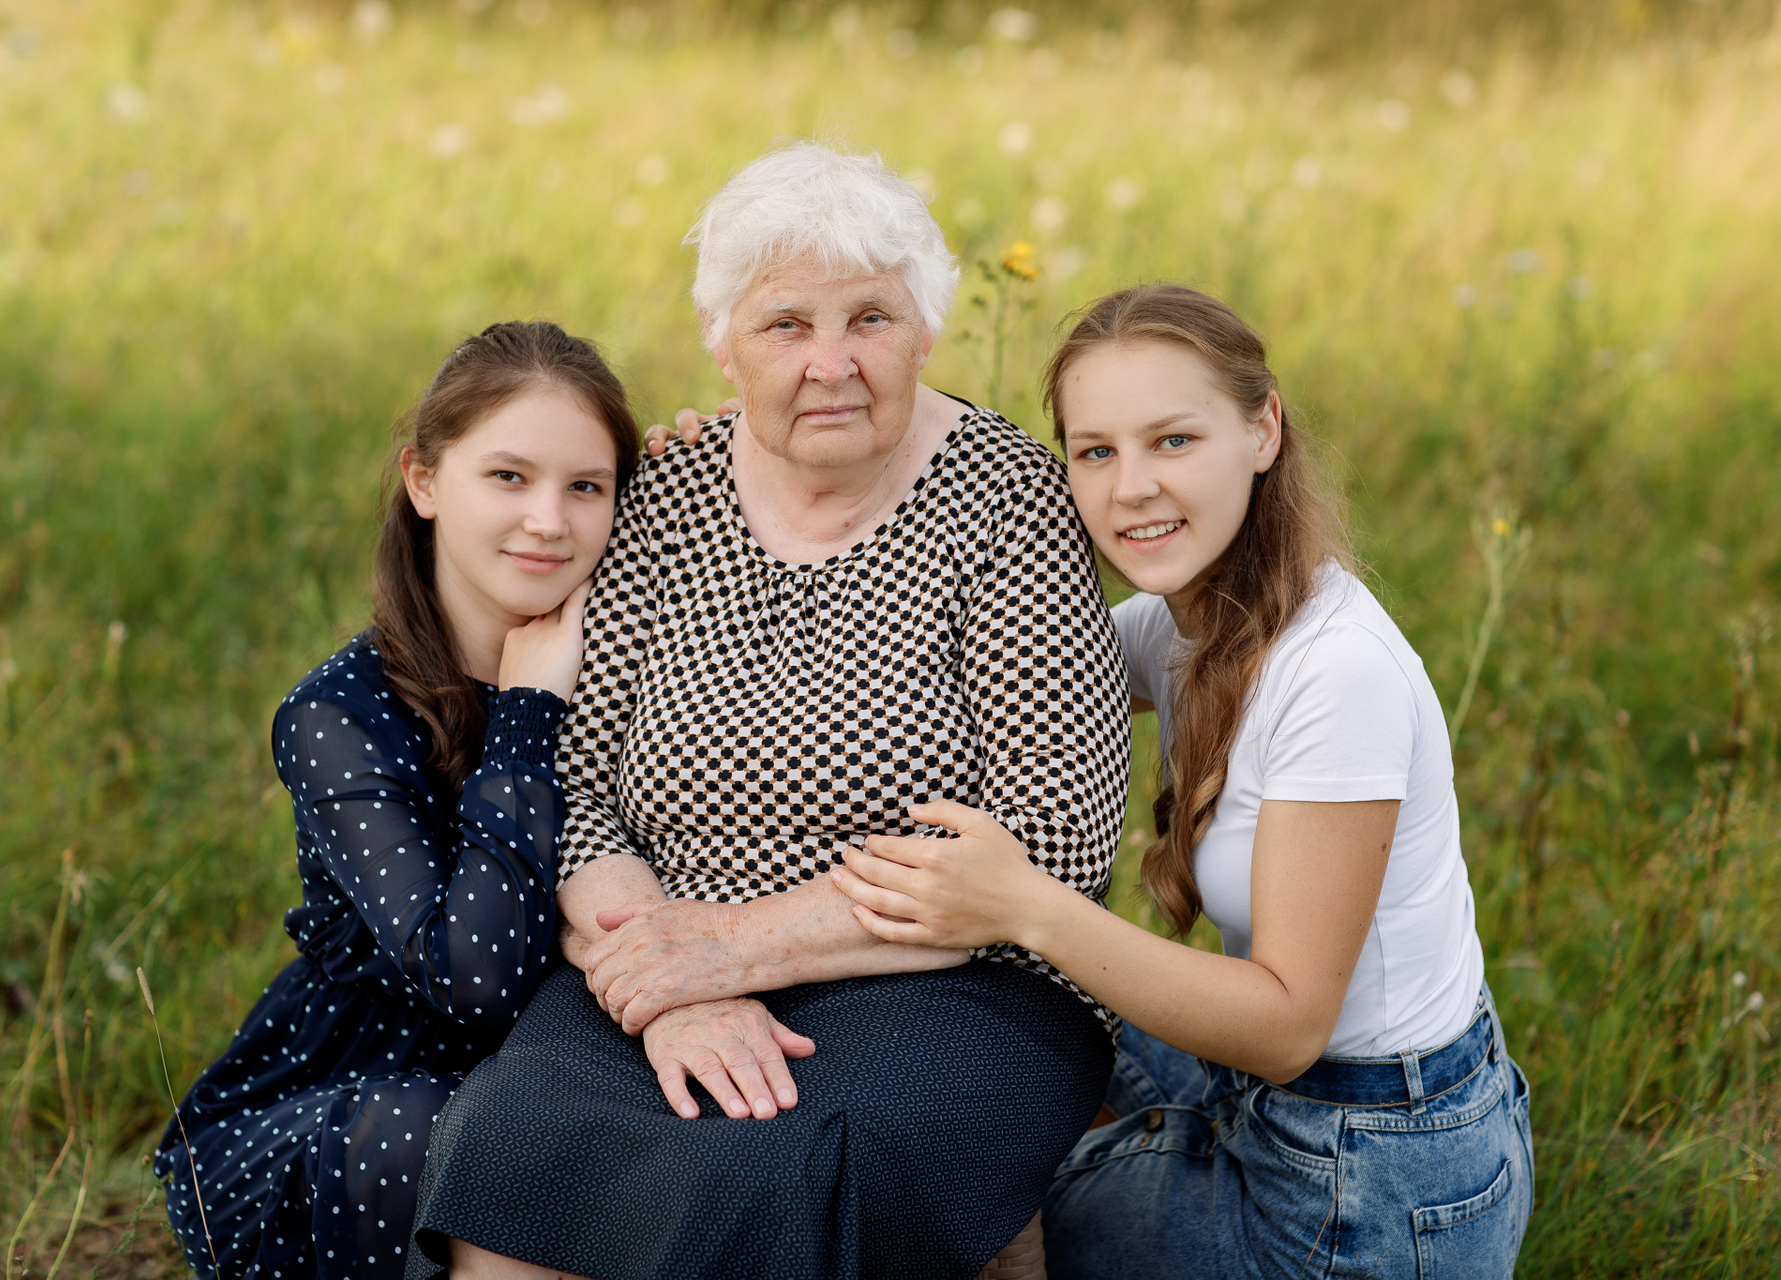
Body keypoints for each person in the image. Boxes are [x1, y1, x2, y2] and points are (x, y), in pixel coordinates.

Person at [408, 143, 1133, 1280]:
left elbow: (1056, 839)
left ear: (926, 331)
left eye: (871, 319)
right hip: (652, 949)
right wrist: (668, 991)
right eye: (786, 324)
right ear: (721, 340)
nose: (830, 363)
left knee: (776, 1174)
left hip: (955, 982)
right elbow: (578, 791)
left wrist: (733, 946)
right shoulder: (662, 495)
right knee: (515, 1145)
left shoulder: (1010, 502)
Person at [825, 284, 1535, 1278]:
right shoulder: (1185, 620)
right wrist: (762, 452)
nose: (1132, 488)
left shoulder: (1337, 671)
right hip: (1282, 1095)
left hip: (1368, 1175)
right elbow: (951, 679)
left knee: (973, 1214)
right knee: (998, 1058)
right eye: (1096, 452)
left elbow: (1286, 1026)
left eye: (1173, 440)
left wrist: (1024, 906)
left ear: (1263, 429)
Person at [154, 321, 641, 1280]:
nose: (549, 520)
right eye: (508, 476)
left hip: (554, 1071)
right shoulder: (338, 717)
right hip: (354, 1110)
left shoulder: (634, 657)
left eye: (586, 486)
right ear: (424, 481)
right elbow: (477, 983)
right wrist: (526, 715)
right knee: (448, 1131)